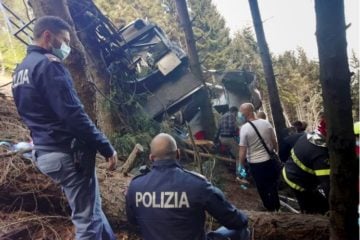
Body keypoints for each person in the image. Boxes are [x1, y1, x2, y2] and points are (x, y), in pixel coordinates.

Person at [12, 16, 117, 239]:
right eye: (64, 40)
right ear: (48, 36)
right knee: (87, 222)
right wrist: (105, 146)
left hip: (44, 152)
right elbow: (73, 114)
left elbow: (28, 113)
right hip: (66, 154)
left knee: (91, 209)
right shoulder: (49, 65)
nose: (67, 47)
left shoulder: (21, 70)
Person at [126, 133, 250, 240]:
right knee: (242, 230)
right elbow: (235, 220)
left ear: (152, 158)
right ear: (178, 154)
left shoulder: (135, 186)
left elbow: (133, 222)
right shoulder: (197, 184)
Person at [282, 119, 329, 214]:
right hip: (297, 181)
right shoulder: (321, 154)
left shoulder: (311, 136)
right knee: (316, 210)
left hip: (291, 171)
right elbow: (327, 185)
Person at [238, 103, 280, 211]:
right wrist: (276, 153)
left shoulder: (244, 128)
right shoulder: (266, 123)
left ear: (247, 112)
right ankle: (277, 207)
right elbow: (274, 141)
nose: (240, 114)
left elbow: (242, 150)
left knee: (262, 187)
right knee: (272, 185)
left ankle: (269, 208)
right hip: (269, 160)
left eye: (241, 112)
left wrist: (240, 164)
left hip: (255, 163)